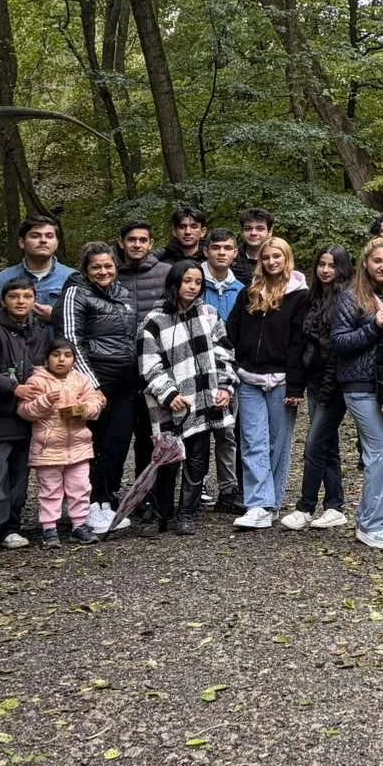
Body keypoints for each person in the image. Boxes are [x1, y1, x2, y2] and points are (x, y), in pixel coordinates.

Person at [138, 260, 237, 536]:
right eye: (187, 281)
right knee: (168, 459)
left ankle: (188, 513)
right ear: (175, 282)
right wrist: (168, 393)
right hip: (170, 403)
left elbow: (225, 353)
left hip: (204, 400)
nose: (192, 287)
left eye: (197, 282)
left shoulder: (209, 313)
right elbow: (148, 364)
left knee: (197, 459)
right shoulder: (154, 320)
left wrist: (225, 387)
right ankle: (161, 513)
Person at [59, 243, 145, 536]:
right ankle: (86, 502)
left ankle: (106, 499)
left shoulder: (123, 294)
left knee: (117, 443)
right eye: (96, 267)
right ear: (86, 269)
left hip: (126, 382)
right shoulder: (76, 292)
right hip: (96, 380)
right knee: (91, 445)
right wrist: (91, 385)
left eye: (108, 266)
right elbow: (71, 338)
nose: (103, 271)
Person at [225, 237, 309, 530]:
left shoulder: (300, 295)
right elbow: (232, 330)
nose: (272, 262)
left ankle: (271, 503)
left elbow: (300, 342)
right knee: (252, 441)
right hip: (249, 377)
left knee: (278, 443)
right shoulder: (249, 292)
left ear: (287, 258)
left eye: (277, 256)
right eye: (267, 257)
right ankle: (258, 503)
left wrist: (297, 385)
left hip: (283, 379)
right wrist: (234, 365)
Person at [0, 276, 53, 557]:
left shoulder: (39, 330)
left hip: (28, 415)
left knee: (20, 474)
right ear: (4, 300)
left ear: (34, 299)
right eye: (14, 296)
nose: (21, 302)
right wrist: (14, 387)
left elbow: (44, 366)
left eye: (27, 296)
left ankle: (11, 527)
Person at [331, 239, 383, 549]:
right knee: (382, 450)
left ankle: (371, 517)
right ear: (366, 263)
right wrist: (374, 326)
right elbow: (339, 342)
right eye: (378, 260)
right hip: (360, 387)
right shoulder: (351, 297)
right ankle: (372, 524)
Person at [282, 245, 352, 532]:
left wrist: (328, 383)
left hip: (333, 382)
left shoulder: (347, 298)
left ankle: (306, 505)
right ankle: (335, 505)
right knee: (327, 445)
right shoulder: (313, 298)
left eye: (332, 265)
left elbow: (337, 346)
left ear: (343, 268)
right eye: (322, 264)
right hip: (313, 380)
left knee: (314, 444)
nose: (325, 270)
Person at [18, 340, 106, 546]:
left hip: (79, 446)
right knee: (50, 489)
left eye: (67, 355)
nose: (61, 360)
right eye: (56, 355)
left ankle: (80, 524)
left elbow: (96, 402)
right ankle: (49, 527)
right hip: (48, 449)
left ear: (74, 360)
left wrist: (84, 409)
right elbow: (25, 411)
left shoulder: (81, 380)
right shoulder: (37, 381)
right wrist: (45, 401)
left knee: (81, 486)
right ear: (46, 358)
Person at [196, 229, 246, 512]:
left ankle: (228, 489)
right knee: (198, 432)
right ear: (207, 250)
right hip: (197, 369)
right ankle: (196, 486)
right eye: (216, 247)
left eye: (228, 248)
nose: (222, 253)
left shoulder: (241, 289)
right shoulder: (193, 282)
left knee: (227, 432)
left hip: (229, 368)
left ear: (235, 253)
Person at [0, 215, 74, 322]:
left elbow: (90, 323)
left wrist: (56, 316)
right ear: (22, 242)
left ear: (57, 243)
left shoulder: (72, 279)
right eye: (35, 236)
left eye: (49, 236)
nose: (43, 240)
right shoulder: (1, 280)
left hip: (58, 338)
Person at [115, 221, 166, 315]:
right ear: (121, 243)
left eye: (143, 240)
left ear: (150, 244)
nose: (137, 245)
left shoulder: (167, 273)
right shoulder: (110, 276)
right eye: (131, 240)